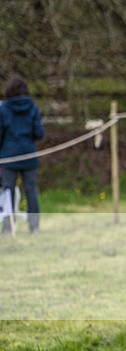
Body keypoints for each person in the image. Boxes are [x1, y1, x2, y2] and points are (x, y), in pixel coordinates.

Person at [0, 75, 45, 234]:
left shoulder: (3, 108)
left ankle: (7, 228)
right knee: (31, 192)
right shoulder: (32, 107)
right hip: (28, 155)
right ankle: (34, 227)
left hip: (8, 157)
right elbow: (39, 132)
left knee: (8, 193)